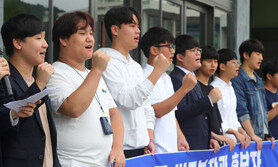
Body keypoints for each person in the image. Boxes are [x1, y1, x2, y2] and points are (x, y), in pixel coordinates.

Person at [47, 11, 125, 166]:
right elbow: (73, 109)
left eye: (91, 33)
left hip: (105, 162)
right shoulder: (54, 73)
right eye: (82, 33)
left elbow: (114, 114)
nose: (90, 38)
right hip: (74, 162)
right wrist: (97, 70)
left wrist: (117, 148)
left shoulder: (93, 74)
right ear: (63, 40)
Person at [101, 7, 171, 158]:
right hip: (118, 150)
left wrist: (149, 138)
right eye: (132, 26)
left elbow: (147, 107)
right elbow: (128, 100)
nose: (138, 31)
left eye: (138, 26)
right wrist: (157, 72)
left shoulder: (135, 66)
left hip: (142, 147)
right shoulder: (105, 60)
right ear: (115, 29)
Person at [0, 14, 60, 167]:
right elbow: (9, 119)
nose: (45, 44)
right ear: (18, 43)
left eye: (44, 38)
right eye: (38, 38)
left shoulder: (37, 80)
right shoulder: (4, 79)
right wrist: (39, 84)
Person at [140, 27, 195, 153]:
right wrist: (183, 90)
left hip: (170, 149)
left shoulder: (166, 77)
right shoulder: (145, 76)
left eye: (173, 48)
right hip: (155, 149)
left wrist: (180, 137)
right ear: (154, 50)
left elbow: (171, 112)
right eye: (169, 47)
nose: (173, 52)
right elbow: (157, 111)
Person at [170, 35, 221, 152]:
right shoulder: (176, 78)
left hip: (200, 143)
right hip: (188, 145)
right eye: (193, 51)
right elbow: (179, 113)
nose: (198, 54)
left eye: (198, 50)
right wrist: (208, 100)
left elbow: (200, 117)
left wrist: (210, 138)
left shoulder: (191, 76)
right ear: (180, 57)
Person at [231, 39, 275, 150]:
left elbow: (263, 111)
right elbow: (241, 111)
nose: (261, 58)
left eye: (261, 54)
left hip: (261, 138)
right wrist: (252, 135)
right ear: (246, 55)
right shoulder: (237, 79)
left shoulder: (259, 80)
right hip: (247, 140)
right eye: (258, 54)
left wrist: (268, 134)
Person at [196, 46, 236, 151]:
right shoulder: (195, 87)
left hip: (218, 146)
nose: (213, 65)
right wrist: (218, 137)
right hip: (204, 146)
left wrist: (224, 137)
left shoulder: (211, 88)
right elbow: (199, 123)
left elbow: (217, 121)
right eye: (209, 61)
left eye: (215, 61)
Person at [210, 48, 251, 149]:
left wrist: (242, 132)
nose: (238, 66)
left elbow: (233, 117)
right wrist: (234, 132)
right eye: (234, 63)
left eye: (238, 63)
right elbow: (217, 120)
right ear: (222, 66)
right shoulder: (214, 88)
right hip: (223, 143)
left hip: (235, 142)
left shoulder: (231, 87)